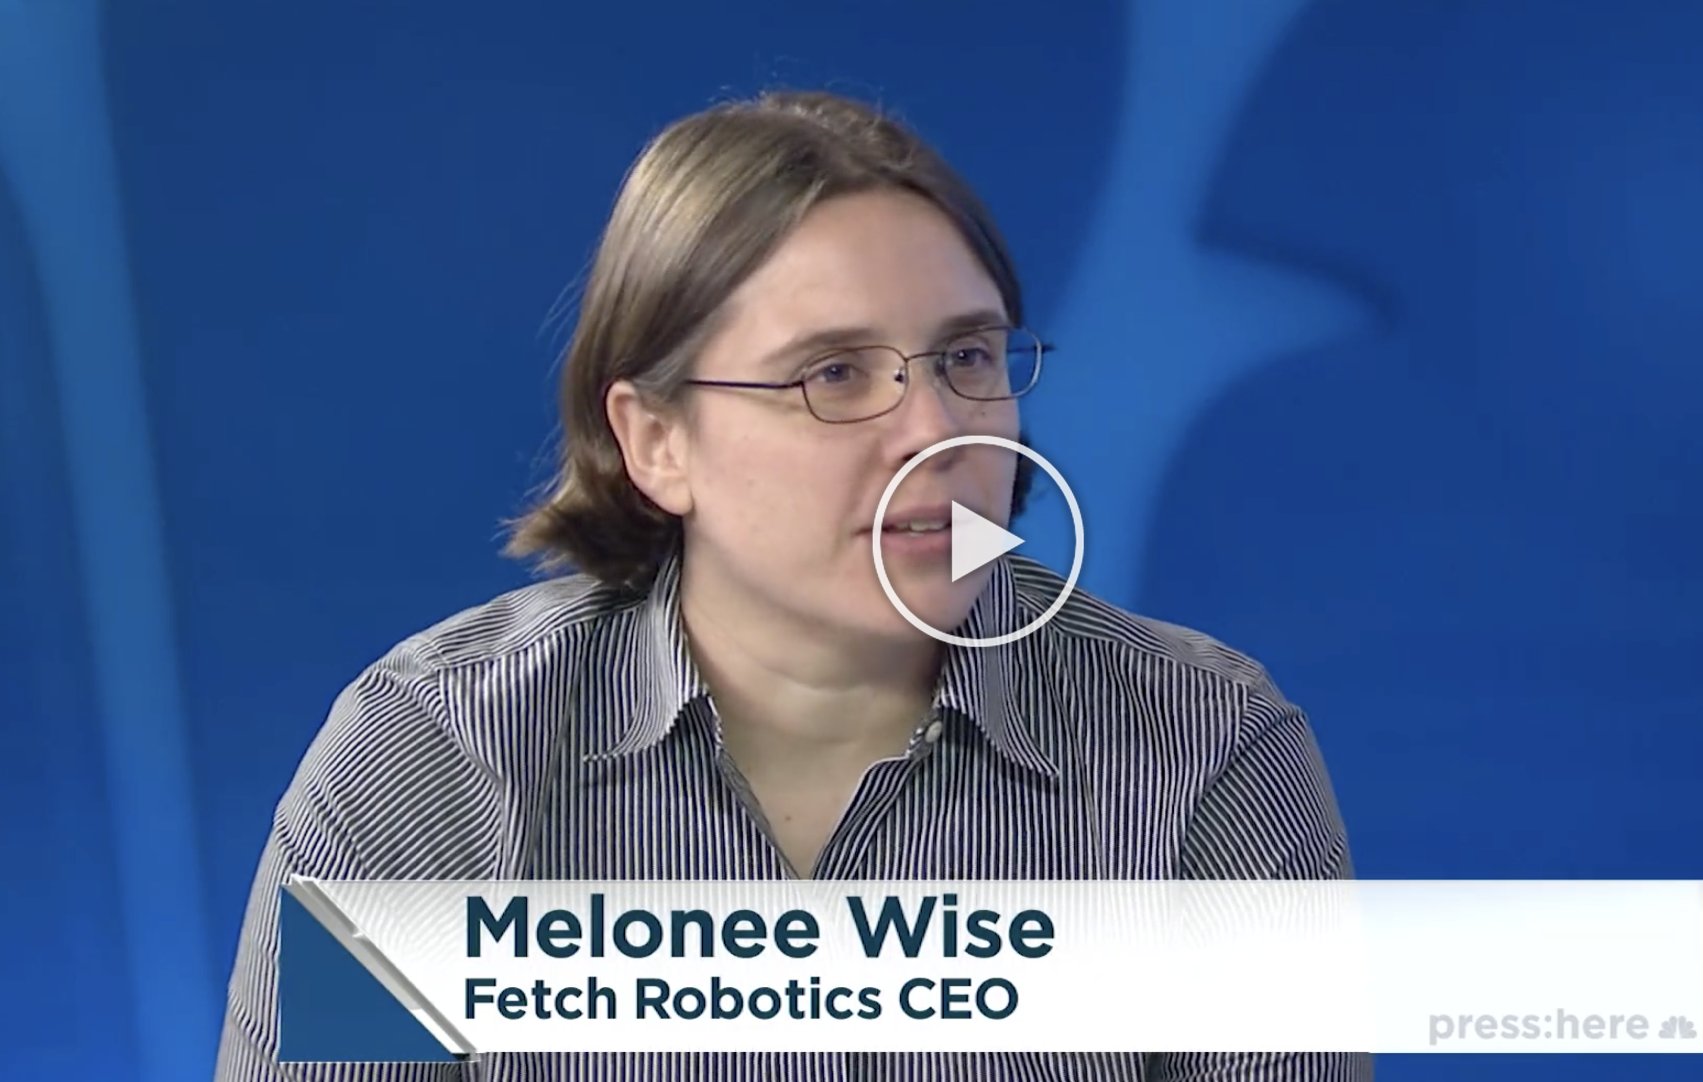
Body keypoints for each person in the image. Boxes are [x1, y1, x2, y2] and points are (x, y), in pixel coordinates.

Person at [214, 89, 1369, 1082]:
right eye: (835, 373)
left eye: (968, 357)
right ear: (657, 439)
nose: (936, 429)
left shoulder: (1207, 749)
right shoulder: (433, 759)